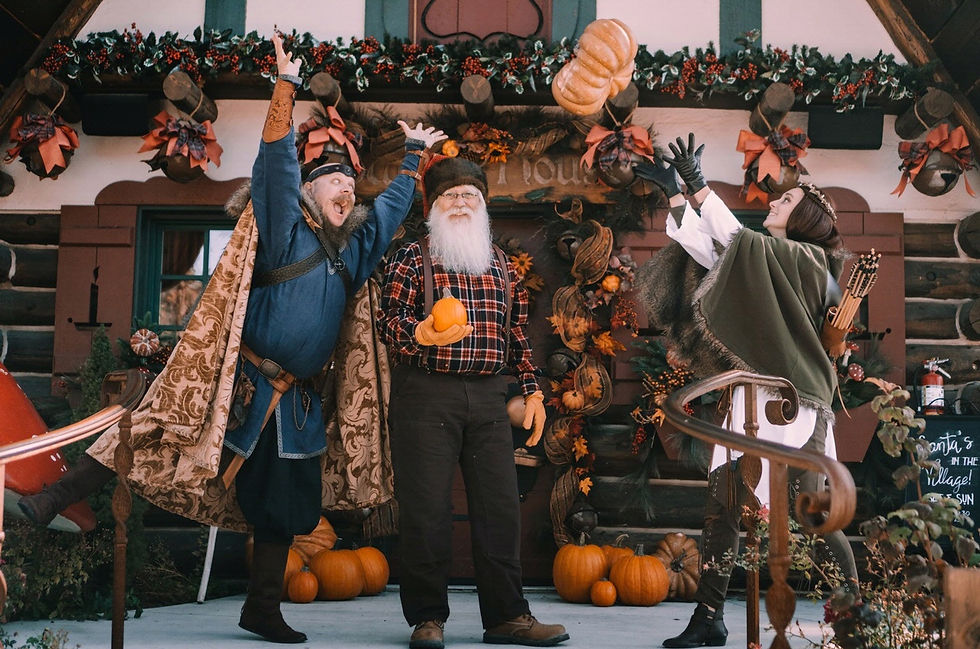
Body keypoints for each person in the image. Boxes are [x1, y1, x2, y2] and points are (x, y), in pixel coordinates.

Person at [19, 32, 446, 644]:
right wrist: (283, 88)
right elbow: (273, 165)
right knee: (149, 431)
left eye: (350, 186)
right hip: (238, 387)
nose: (345, 192)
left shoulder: (351, 252)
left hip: (294, 404)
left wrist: (410, 161)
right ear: (309, 192)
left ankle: (262, 608)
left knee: (286, 506)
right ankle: (51, 500)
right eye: (333, 183)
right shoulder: (282, 227)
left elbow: (385, 215)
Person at [633, 134, 858, 648]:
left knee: (816, 513)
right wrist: (675, 194)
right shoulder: (767, 257)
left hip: (795, 399)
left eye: (787, 200)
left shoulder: (809, 261)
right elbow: (713, 250)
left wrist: (696, 184)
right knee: (724, 508)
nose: (775, 201)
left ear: (807, 221)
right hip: (748, 397)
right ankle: (708, 617)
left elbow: (738, 243)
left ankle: (855, 612)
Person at [377, 156, 569, 649]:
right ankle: (427, 619)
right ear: (432, 206)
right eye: (450, 196)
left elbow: (517, 338)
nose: (461, 204)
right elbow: (389, 325)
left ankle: (507, 617)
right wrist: (417, 332)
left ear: (483, 206)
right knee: (426, 511)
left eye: (471, 196)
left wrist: (531, 389)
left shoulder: (501, 265)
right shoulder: (410, 259)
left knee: (500, 510)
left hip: (487, 396)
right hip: (425, 395)